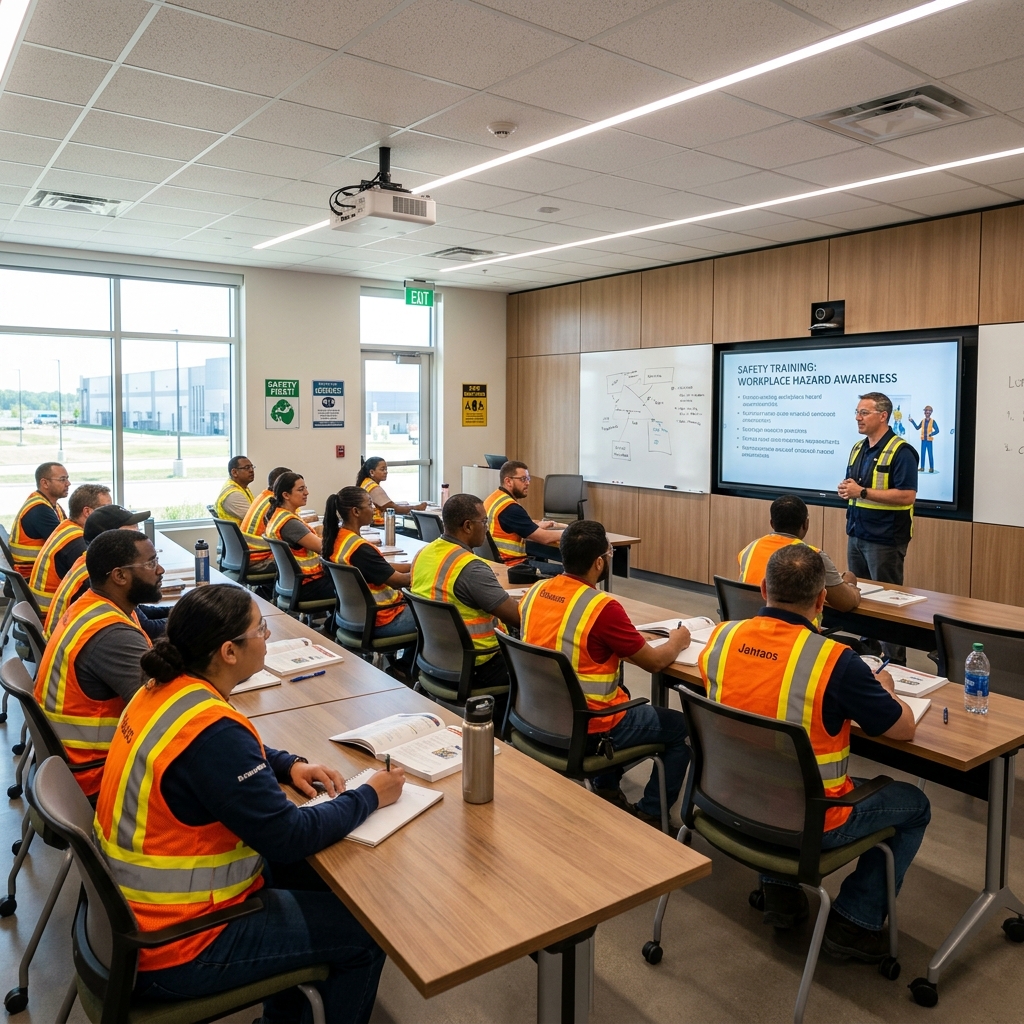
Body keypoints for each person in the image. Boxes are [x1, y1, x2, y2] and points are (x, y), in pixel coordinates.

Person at [94, 584, 402, 1022]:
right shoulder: (214, 732)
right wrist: (369, 794)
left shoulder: (161, 691)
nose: (266, 638)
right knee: (364, 936)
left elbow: (213, 758)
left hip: (132, 920)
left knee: (312, 881)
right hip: (179, 944)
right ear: (229, 652)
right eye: (260, 630)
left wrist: (286, 764)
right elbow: (289, 836)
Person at [699, 544, 930, 961]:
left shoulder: (722, 637)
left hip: (729, 797)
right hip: (808, 820)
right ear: (823, 598)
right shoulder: (836, 661)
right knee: (913, 803)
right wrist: (888, 692)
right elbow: (903, 730)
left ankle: (780, 892)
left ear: (764, 588)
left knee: (771, 762)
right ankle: (854, 921)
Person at [519, 520, 691, 827]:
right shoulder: (602, 608)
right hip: (590, 728)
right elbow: (653, 664)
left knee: (621, 696)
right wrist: (677, 641)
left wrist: (631, 639)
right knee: (682, 728)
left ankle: (607, 786)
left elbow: (565, 634)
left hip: (538, 715)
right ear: (600, 561)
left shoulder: (536, 591)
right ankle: (651, 812)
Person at [34, 528, 164, 797]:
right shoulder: (111, 634)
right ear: (119, 576)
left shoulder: (96, 605)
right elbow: (161, 710)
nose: (160, 569)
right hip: (97, 775)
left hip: (74, 764)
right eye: (150, 562)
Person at [410, 493, 521, 711]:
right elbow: (518, 618)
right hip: (479, 666)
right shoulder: (471, 568)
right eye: (484, 522)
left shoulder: (423, 553)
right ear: (468, 526)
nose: (487, 528)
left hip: (434, 659)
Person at [837, 392, 918, 664]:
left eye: (864, 412)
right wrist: (847, 490)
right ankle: (866, 657)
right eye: (857, 412)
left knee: (889, 604)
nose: (858, 418)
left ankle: (896, 662)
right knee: (857, 598)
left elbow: (907, 496)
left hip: (885, 539)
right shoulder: (858, 448)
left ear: (883, 416)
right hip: (857, 533)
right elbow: (857, 487)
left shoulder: (902, 451)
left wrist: (861, 493)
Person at [322, 486, 417, 676]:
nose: (374, 508)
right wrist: (429, 575)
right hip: (382, 619)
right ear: (355, 511)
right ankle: (405, 666)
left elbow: (382, 568)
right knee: (434, 615)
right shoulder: (361, 549)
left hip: (352, 617)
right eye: (370, 504)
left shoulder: (338, 539)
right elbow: (398, 581)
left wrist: (414, 565)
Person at [43, 504, 163, 640]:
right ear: (110, 539)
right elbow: (148, 629)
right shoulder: (96, 575)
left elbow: (139, 612)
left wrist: (180, 610)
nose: (139, 534)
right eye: (131, 532)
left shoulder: (91, 561)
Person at [737, 494, 860, 613]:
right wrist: (850, 586)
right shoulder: (813, 556)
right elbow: (845, 603)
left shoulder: (749, 549)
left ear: (772, 524)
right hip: (795, 632)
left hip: (750, 624)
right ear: (806, 524)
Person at [29, 483, 111, 614]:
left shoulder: (67, 526)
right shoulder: (77, 543)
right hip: (53, 616)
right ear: (87, 512)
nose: (110, 513)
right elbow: (104, 591)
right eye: (106, 509)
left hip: (44, 609)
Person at [264, 471, 336, 602]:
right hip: (307, 585)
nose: (306, 493)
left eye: (306, 488)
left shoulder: (279, 515)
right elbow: (324, 549)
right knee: (355, 587)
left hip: (294, 583)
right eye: (301, 489)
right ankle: (332, 623)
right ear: (286, 495)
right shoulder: (290, 524)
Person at [483, 461, 565, 574]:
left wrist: (534, 526)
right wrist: (569, 532)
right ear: (508, 481)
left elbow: (507, 526)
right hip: (514, 566)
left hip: (498, 562)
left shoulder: (494, 498)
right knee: (566, 573)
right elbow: (545, 538)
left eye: (528, 479)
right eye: (523, 479)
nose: (527, 483)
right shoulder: (510, 508)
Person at [9, 462, 70, 577]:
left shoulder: (52, 505)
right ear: (45, 483)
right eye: (62, 479)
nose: (68, 483)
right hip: (32, 577)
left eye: (67, 479)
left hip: (37, 573)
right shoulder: (39, 510)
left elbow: (69, 533)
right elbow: (66, 544)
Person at [241, 465, 291, 571]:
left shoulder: (263, 496)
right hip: (259, 558)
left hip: (247, 554)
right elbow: (291, 529)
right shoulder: (276, 504)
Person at [356, 457, 427, 526]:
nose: (386, 472)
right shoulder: (372, 486)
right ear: (372, 472)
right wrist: (416, 508)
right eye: (382, 469)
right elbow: (391, 508)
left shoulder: (366, 482)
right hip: (376, 524)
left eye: (386, 469)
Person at [214, 455, 256, 522]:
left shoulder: (242, 488)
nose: (251, 470)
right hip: (241, 532)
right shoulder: (233, 494)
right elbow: (254, 519)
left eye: (252, 467)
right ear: (234, 472)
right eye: (247, 467)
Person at [908, 405, 940, 473]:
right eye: (926, 411)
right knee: (922, 454)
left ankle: (931, 468)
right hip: (923, 440)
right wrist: (912, 421)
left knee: (930, 454)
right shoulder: (923, 421)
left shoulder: (933, 421)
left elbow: (937, 430)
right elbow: (917, 427)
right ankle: (922, 467)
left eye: (928, 411)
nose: (927, 413)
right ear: (924, 413)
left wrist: (931, 434)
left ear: (931, 412)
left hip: (929, 440)